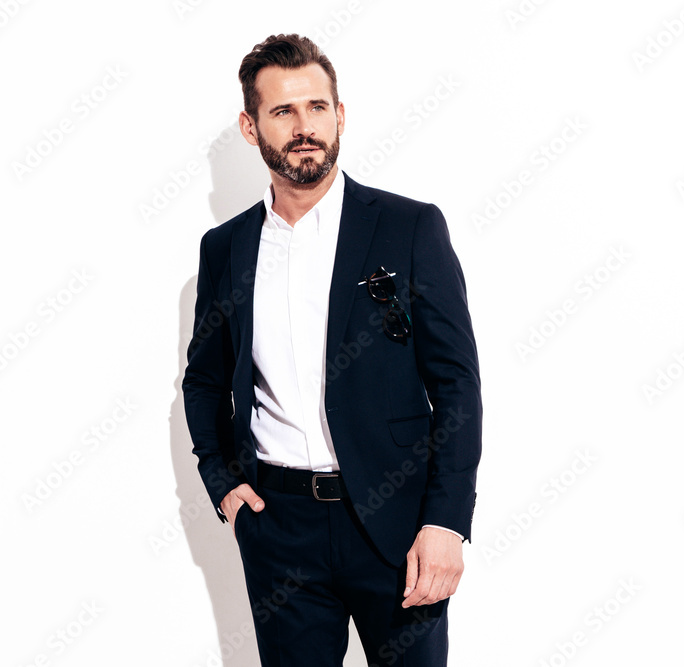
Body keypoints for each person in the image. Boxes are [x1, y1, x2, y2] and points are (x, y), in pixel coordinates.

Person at [181, 33, 481, 666]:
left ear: (339, 115)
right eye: (283, 111)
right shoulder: (225, 248)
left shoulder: (408, 227)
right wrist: (222, 481)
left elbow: (457, 384)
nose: (304, 127)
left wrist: (447, 521)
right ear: (250, 126)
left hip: (399, 526)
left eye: (317, 107)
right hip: (279, 529)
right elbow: (204, 380)